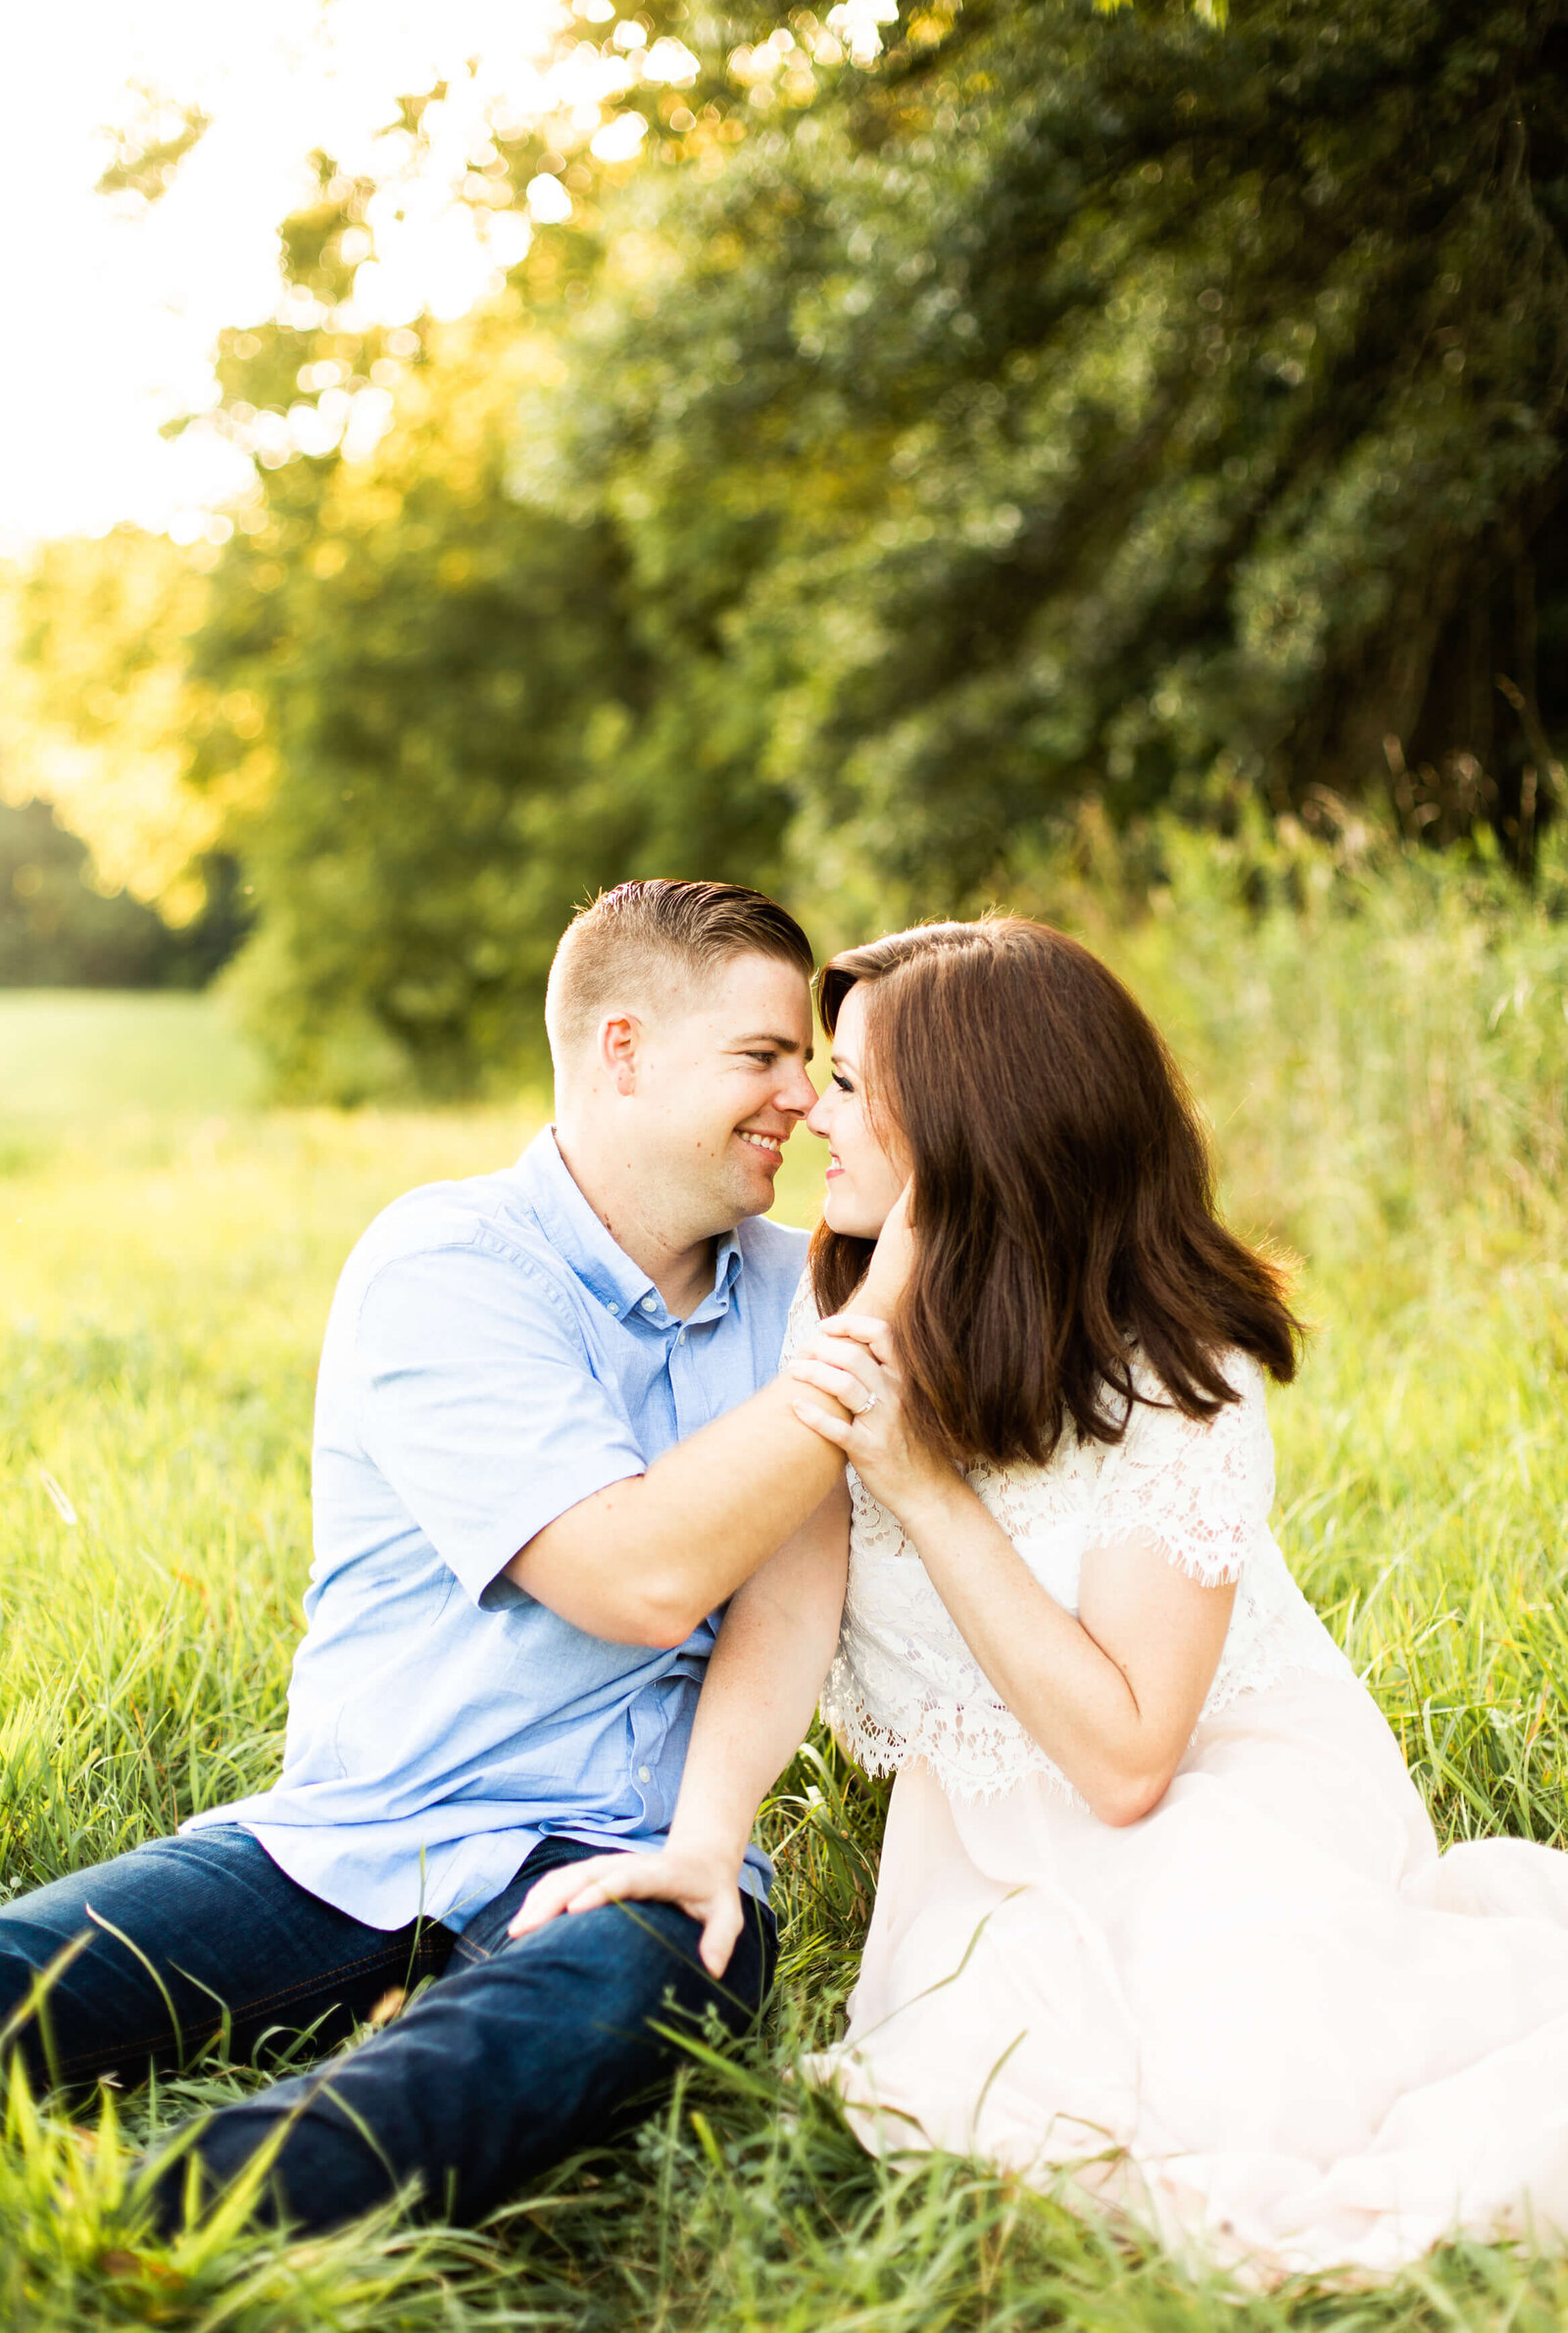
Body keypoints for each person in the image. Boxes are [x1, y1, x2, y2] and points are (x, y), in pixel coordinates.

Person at [517, 916, 1568, 2282]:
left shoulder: (1170, 1376)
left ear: (963, 1130)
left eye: (848, 1087)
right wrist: (707, 1843)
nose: (812, 1116)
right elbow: (790, 1610)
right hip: (985, 1842)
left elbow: (1132, 1761)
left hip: (1212, 1800)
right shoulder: (832, 1314)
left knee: (1249, 2099)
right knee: (991, 2082)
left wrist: (923, 1481)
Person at [0, 877, 869, 2234]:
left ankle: (162, 2231)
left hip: (632, 1858)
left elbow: (790, 1602)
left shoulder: (809, 1291)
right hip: (366, 1829)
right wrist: (848, 1369)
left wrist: (711, 1847)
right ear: (622, 1049)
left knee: (563, 2018)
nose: (801, 1102)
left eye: (809, 1069)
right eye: (762, 1058)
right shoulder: (449, 1263)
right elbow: (632, 1580)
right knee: (29, 1974)